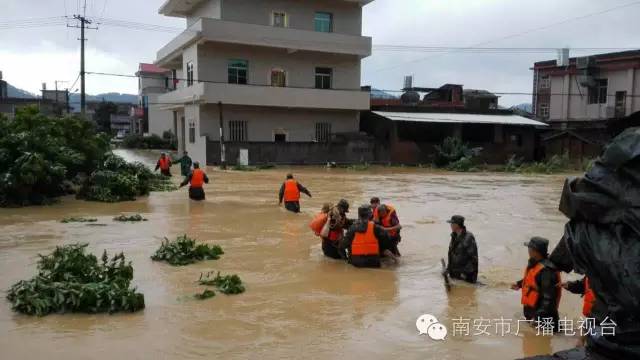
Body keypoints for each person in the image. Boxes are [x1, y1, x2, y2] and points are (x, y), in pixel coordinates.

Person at [511, 237, 562, 331]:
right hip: (534, 315)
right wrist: (519, 284)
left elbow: (549, 299)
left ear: (535, 251)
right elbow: (533, 280)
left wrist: (538, 318)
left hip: (543, 320)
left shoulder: (547, 271)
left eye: (529, 248)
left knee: (543, 343)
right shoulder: (536, 264)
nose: (528, 251)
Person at [446, 215, 478, 283]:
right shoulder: (454, 236)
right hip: (455, 274)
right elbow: (451, 254)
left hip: (465, 276)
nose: (450, 225)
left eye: (452, 223)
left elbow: (474, 259)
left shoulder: (469, 237)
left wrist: (469, 276)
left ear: (457, 225)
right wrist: (448, 269)